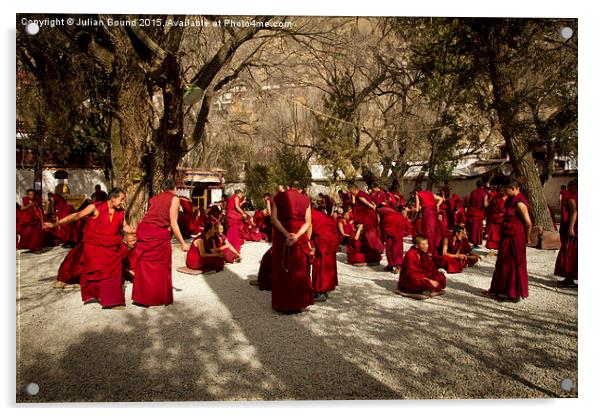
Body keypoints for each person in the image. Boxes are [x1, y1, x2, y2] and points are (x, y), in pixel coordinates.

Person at [44, 188, 134, 309]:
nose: (123, 202)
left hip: (112, 249)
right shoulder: (94, 207)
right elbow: (76, 216)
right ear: (113, 198)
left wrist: (140, 230)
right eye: (121, 199)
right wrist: (55, 224)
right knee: (98, 274)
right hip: (95, 247)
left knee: (114, 274)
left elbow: (125, 226)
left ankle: (113, 301)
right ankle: (100, 295)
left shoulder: (120, 212)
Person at [133, 180, 189, 307]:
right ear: (174, 188)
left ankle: (142, 298)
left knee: (145, 266)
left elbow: (151, 216)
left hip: (144, 231)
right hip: (157, 234)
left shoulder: (154, 198)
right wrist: (182, 242)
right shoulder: (174, 198)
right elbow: (173, 222)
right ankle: (155, 298)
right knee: (159, 267)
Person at [483, 180, 532, 302]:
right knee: (502, 263)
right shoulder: (510, 200)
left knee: (513, 264)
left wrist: (528, 237)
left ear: (513, 188)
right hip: (507, 235)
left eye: (506, 189)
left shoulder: (520, 203)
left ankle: (513, 293)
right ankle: (500, 290)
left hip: (515, 237)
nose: (505, 192)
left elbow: (528, 222)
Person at [271, 180, 313, 314]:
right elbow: (308, 222)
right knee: (298, 268)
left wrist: (285, 233)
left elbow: (274, 218)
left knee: (282, 268)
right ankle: (298, 303)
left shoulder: (278, 197)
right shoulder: (305, 199)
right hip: (299, 237)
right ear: (300, 189)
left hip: (282, 236)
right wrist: (297, 236)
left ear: (289, 187)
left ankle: (282, 304)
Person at [395, 236, 446, 300]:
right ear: (417, 246)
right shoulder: (410, 255)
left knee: (440, 277)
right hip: (410, 280)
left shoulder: (423, 253)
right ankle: (406, 293)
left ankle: (424, 292)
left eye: (427, 243)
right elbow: (411, 273)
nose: (426, 246)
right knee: (422, 283)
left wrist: (435, 274)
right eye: (423, 244)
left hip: (422, 275)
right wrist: (428, 279)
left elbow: (430, 267)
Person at [308, 208, 339, 302]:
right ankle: (325, 289)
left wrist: (308, 242)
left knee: (320, 264)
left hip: (323, 239)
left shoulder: (309, 214)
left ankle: (320, 291)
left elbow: (309, 226)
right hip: (331, 238)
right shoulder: (317, 214)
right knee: (328, 263)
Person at [554, 180, 578, 287]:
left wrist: (571, 228)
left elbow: (573, 212)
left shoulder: (572, 198)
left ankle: (569, 277)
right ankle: (569, 278)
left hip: (573, 227)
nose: (568, 189)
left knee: (570, 252)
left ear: (573, 187)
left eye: (569, 187)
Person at [349, 183, 384, 255]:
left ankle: (375, 248)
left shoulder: (360, 195)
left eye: (351, 191)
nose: (351, 193)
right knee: (372, 231)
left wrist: (374, 208)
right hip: (369, 215)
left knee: (369, 232)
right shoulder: (362, 193)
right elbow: (371, 201)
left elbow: (368, 203)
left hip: (367, 216)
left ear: (354, 189)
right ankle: (378, 247)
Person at [378, 206, 410, 273]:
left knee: (389, 247)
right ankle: (392, 265)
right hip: (398, 223)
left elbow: (378, 220)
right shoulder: (390, 209)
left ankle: (397, 266)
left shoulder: (379, 210)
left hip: (389, 222)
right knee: (396, 247)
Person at [414, 187, 444, 254]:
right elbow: (441, 198)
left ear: (416, 192)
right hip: (434, 212)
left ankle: (429, 249)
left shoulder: (418, 194)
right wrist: (437, 205)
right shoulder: (430, 193)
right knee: (435, 230)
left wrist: (409, 210)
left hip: (427, 213)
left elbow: (416, 209)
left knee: (428, 231)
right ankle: (436, 247)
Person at [465, 180, 489, 247]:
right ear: (483, 186)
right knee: (477, 228)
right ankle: (475, 243)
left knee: (472, 228)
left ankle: (470, 241)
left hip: (472, 212)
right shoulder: (484, 193)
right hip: (478, 212)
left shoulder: (473, 192)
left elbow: (470, 202)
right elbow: (485, 204)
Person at [485, 186, 507, 252]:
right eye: (501, 191)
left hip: (499, 218)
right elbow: (498, 208)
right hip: (497, 218)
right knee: (496, 234)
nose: (502, 192)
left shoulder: (500, 198)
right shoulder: (497, 198)